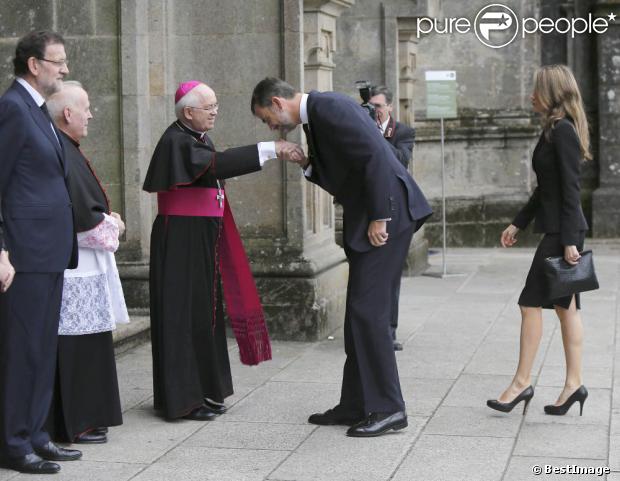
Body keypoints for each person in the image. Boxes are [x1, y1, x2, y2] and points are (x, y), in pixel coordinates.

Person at [251, 77, 432, 437]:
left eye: (265, 118)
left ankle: (389, 409)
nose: (270, 126)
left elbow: (374, 155)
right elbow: (346, 175)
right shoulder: (318, 114)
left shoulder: (328, 107)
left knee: (369, 314)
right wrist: (306, 163)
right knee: (358, 316)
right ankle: (356, 404)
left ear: (276, 102)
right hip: (378, 215)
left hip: (388, 216)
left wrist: (380, 214)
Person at [143, 81, 299, 421]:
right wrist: (270, 148)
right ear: (188, 112)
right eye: (209, 106)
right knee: (182, 315)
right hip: (182, 239)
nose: (215, 111)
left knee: (204, 311)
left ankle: (204, 390)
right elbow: (216, 166)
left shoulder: (196, 137)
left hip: (200, 237)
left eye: (216, 104)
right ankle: (183, 399)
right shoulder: (176, 141)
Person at [487, 65, 591, 416]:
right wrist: (518, 223)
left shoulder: (562, 132)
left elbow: (571, 190)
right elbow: (545, 189)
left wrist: (571, 241)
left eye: (536, 90)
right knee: (566, 309)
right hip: (560, 230)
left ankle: (521, 383)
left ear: (551, 94)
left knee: (530, 303)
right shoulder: (553, 129)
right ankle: (574, 384)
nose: (531, 95)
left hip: (562, 234)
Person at [0, 30, 82, 474]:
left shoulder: (39, 111)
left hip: (49, 252)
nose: (64, 69)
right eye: (58, 61)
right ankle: (13, 443)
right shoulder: (12, 109)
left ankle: (36, 433)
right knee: (22, 350)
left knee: (42, 348)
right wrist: (0, 250)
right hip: (24, 255)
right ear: (34, 65)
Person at [44, 81, 128, 445]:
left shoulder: (69, 148)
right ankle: (76, 421)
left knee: (90, 342)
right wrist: (115, 225)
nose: (91, 114)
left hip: (85, 266)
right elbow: (84, 220)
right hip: (74, 266)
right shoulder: (61, 150)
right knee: (76, 347)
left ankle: (89, 416)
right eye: (87, 108)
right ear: (68, 114)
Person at [368, 85, 416, 351]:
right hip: (369, 209)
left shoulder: (403, 132)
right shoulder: (362, 126)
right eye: (371, 106)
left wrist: (376, 138)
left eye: (378, 106)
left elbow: (400, 161)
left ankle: (389, 330)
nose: (375, 111)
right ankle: (370, 327)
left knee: (391, 274)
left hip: (397, 211)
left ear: (389, 107)